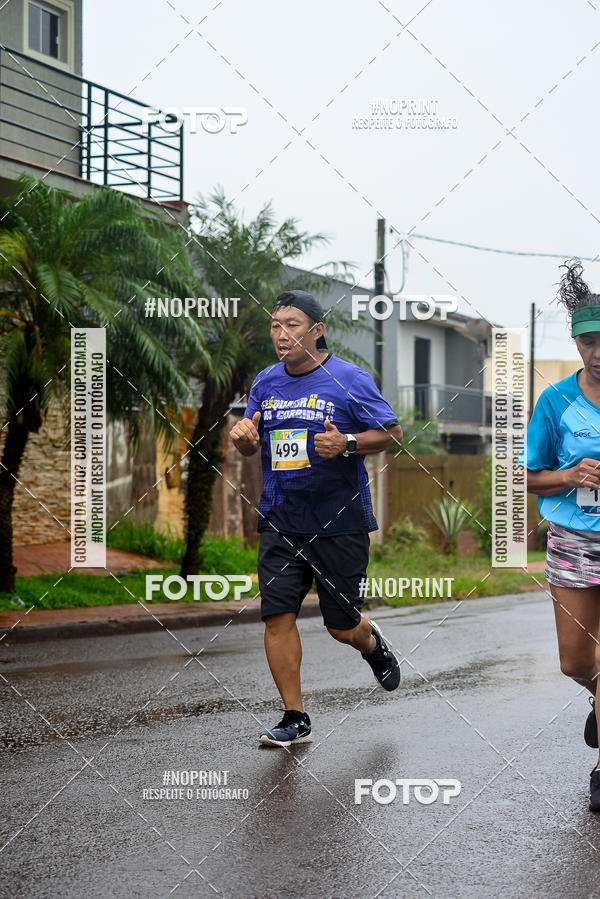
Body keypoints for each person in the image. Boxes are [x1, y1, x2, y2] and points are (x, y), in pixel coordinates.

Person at [229, 289, 404, 747]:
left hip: (339, 520)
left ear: (317, 331)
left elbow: (393, 432)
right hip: (281, 518)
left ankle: (372, 643)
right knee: (277, 616)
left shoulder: (349, 379)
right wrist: (244, 438)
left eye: (291, 324)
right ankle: (294, 717)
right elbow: (252, 444)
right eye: (274, 325)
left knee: (341, 626)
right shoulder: (265, 382)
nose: (280, 334)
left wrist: (346, 444)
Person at [525, 259, 600, 811]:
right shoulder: (555, 403)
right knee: (576, 663)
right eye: (588, 341)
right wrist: (572, 475)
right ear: (577, 344)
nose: (598, 352)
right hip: (574, 539)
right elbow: (527, 477)